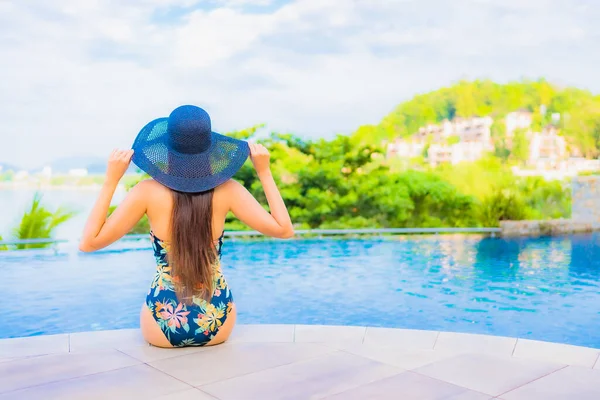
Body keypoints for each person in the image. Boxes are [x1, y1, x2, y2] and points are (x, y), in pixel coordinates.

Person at [79, 105, 294, 348]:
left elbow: (89, 243)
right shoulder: (229, 191)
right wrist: (264, 172)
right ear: (209, 149)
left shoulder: (146, 192)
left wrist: (111, 180)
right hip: (218, 319)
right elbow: (284, 229)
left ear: (166, 150)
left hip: (161, 320)